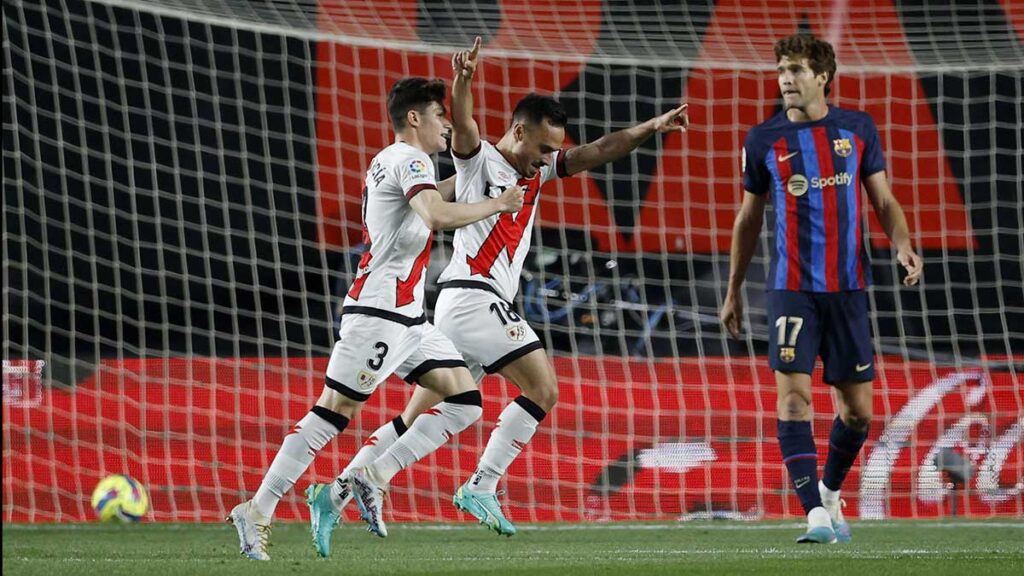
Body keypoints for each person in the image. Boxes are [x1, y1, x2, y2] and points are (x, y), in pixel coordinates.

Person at [305, 37, 688, 553]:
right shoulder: (478, 160)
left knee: (417, 414)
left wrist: (651, 127)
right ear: (517, 131)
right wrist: (463, 81)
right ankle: (481, 485)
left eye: (553, 151)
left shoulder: (538, 170)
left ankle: (339, 490)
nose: (548, 159)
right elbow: (462, 125)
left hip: (459, 305)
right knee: (542, 390)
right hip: (472, 297)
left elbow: (598, 151)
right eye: (543, 148)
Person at [227, 76, 525, 560]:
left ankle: (370, 475)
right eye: (438, 116)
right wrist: (498, 203)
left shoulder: (401, 162)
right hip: (378, 314)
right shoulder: (409, 158)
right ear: (414, 118)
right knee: (333, 413)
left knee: (466, 402)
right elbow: (434, 215)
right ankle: (257, 509)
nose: (447, 125)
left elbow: (432, 196)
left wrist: (477, 179)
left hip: (410, 320)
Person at [720, 34, 923, 543]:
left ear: (822, 76)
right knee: (793, 401)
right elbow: (747, 221)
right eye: (781, 70)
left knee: (857, 413)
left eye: (795, 69)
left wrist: (901, 242)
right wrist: (733, 291)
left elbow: (883, 200)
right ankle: (812, 513)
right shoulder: (763, 140)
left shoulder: (856, 129)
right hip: (791, 289)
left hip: (849, 287)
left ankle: (831, 493)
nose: (785, 79)